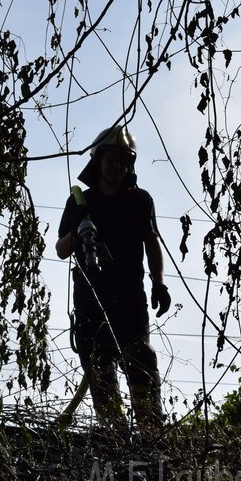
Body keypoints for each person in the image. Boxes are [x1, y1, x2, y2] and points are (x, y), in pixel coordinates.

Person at [56, 125, 171, 433]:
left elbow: (152, 242)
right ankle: (115, 435)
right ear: (99, 160)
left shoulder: (140, 200)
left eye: (123, 159)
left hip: (129, 296)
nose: (117, 165)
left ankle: (151, 430)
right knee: (100, 368)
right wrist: (77, 230)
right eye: (111, 158)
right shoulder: (80, 202)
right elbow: (60, 250)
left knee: (140, 359)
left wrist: (158, 283)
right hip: (90, 299)